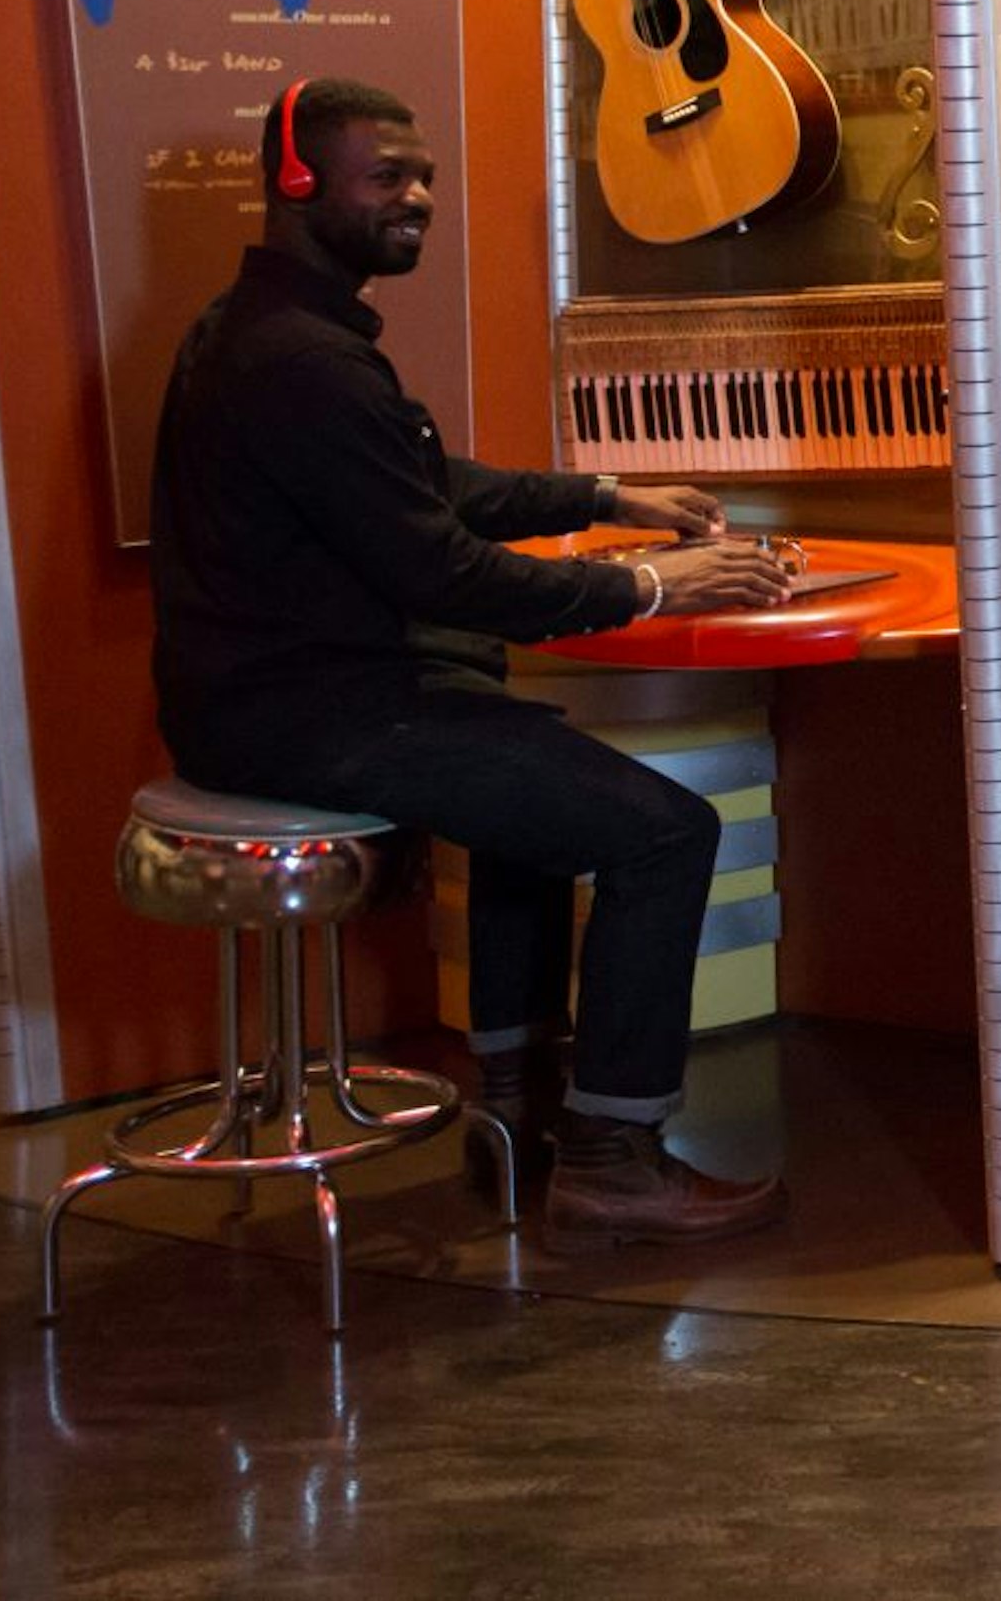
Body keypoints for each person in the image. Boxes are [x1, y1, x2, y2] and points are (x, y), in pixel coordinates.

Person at [150, 78, 800, 1246]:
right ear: (297, 182)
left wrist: (606, 494)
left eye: (426, 176)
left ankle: (516, 1115)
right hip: (312, 716)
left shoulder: (265, 330)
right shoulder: (300, 358)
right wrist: (653, 583)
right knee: (665, 830)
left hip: (275, 701)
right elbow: (442, 572)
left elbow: (420, 486)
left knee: (535, 799)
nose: (420, 198)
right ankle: (610, 1151)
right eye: (387, 176)